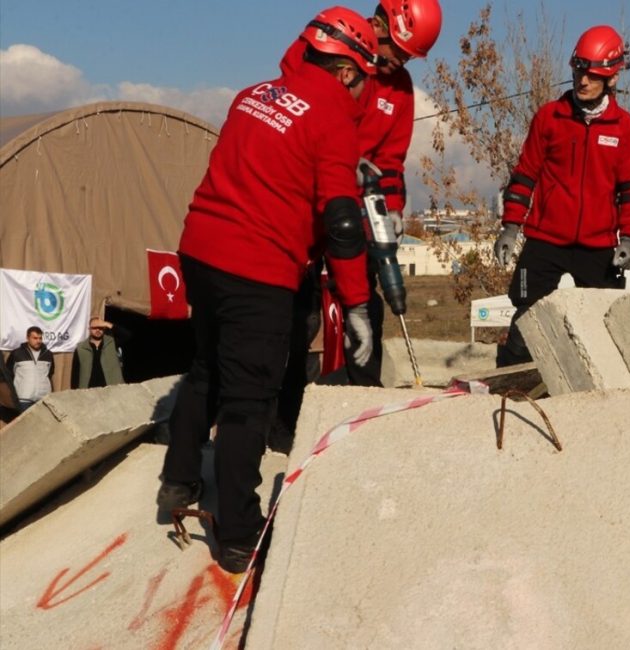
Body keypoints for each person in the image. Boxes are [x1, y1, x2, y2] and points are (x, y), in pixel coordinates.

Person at [157, 6, 379, 574]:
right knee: (247, 404)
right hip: (256, 269)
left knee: (206, 367)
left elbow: (271, 173)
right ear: (350, 70)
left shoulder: (254, 94)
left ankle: (178, 484)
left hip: (201, 249)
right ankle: (238, 535)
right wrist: (356, 304)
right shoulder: (332, 109)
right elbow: (342, 223)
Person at [272, 0, 443, 445]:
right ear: (380, 24)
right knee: (298, 316)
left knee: (365, 306)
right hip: (307, 204)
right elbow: (296, 101)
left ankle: (362, 405)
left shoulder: (399, 90)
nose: (399, 63)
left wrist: (393, 210)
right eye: (398, 51)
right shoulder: (322, 47)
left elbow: (390, 162)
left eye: (407, 58)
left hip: (358, 210)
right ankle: (283, 424)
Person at [493, 25, 630, 366]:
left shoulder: (623, 127)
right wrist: (510, 227)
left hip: (598, 247)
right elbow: (524, 174)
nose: (583, 81)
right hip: (546, 240)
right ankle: (510, 390)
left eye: (593, 75)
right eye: (579, 70)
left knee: (606, 328)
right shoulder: (550, 118)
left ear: (612, 78)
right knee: (524, 324)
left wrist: (629, 239)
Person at [6, 326, 53, 412]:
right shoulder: (17, 353)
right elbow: (9, 375)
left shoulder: (48, 354)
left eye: (40, 338)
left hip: (43, 399)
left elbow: (50, 374)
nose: (38, 341)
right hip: (23, 399)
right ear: (27, 338)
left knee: (41, 425)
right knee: (23, 425)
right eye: (35, 338)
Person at [71, 317, 125, 389]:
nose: (98, 330)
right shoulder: (81, 348)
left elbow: (127, 335)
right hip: (88, 391)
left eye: (100, 327)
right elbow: (75, 373)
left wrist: (108, 324)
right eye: (94, 328)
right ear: (89, 329)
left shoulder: (112, 342)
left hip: (111, 389)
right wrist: (75, 392)